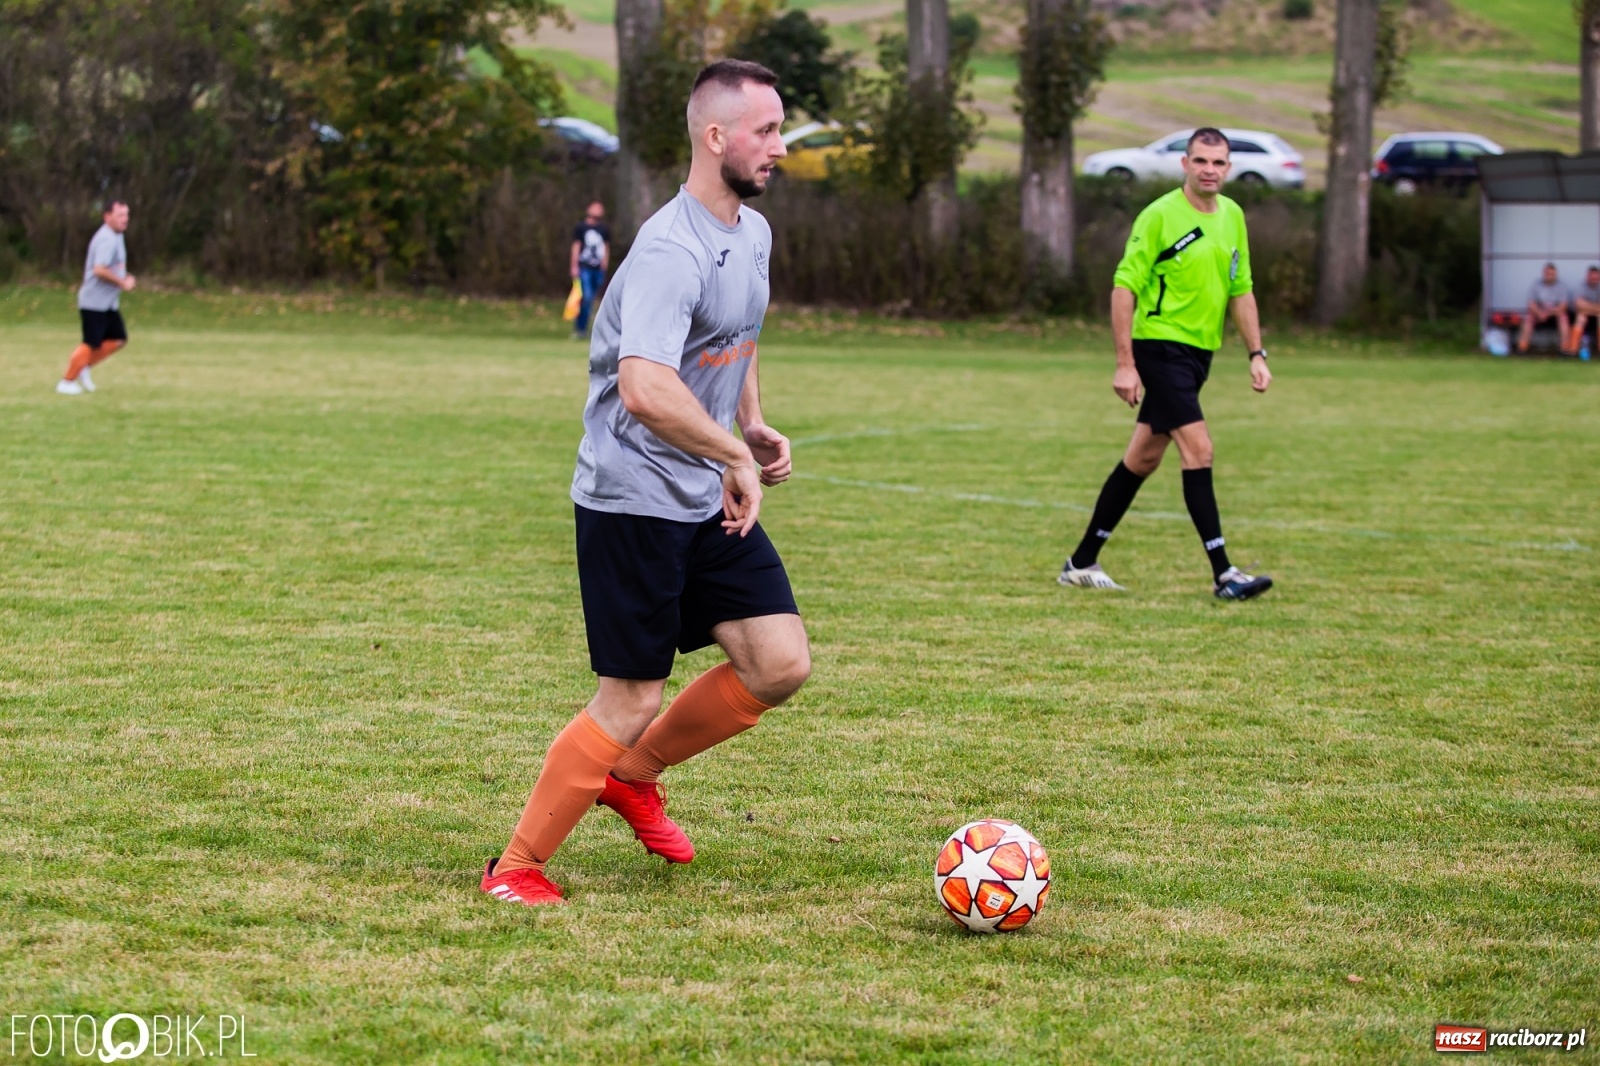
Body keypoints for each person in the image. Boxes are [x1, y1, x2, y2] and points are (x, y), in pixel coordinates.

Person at [482, 59, 807, 907]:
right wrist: (733, 458)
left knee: (778, 663)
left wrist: (751, 424)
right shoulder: (670, 248)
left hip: (700, 489)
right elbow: (645, 386)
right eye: (766, 131)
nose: (780, 147)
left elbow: (733, 337)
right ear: (715, 137)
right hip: (632, 498)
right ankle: (513, 869)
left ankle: (634, 775)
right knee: (629, 694)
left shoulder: (753, 232)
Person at [1058, 128, 1275, 601]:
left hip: (1198, 355)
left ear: (1229, 167)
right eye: (1200, 161)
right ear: (1184, 164)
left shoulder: (1233, 216)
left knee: (1142, 459)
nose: (1209, 170)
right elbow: (1123, 288)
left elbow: (1241, 290)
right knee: (1199, 449)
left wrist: (1255, 353)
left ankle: (1081, 562)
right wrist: (1124, 363)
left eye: (1218, 163)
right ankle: (1224, 574)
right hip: (1158, 348)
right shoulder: (1159, 216)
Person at [58, 199, 135, 395]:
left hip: (108, 304)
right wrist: (122, 283)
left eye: (126, 215)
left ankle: (84, 366)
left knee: (118, 339)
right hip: (94, 302)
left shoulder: (117, 236)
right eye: (120, 215)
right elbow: (99, 269)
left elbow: (113, 267)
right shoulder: (106, 239)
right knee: (91, 343)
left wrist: (123, 277)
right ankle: (66, 382)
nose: (125, 219)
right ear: (107, 216)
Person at [569, 201, 611, 341]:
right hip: (584, 267)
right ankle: (580, 328)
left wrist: (604, 265)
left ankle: (589, 330)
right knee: (586, 297)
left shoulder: (603, 229)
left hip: (597, 269)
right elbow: (576, 246)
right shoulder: (581, 228)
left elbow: (606, 248)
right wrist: (574, 266)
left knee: (593, 300)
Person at [1518, 263, 1572, 355]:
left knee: (1564, 318)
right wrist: (1539, 313)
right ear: (1543, 273)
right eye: (1547, 274)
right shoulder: (1536, 285)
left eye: (1552, 274)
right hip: (1539, 313)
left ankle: (1564, 349)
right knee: (1528, 318)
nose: (1549, 276)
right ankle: (1522, 348)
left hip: (1554, 314)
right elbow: (1531, 303)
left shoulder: (1562, 286)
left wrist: (1549, 313)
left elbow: (1563, 306)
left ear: (1555, 274)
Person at [1566, 265, 1600, 356]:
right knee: (1581, 318)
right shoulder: (1580, 287)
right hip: (1579, 315)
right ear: (1587, 277)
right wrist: (1596, 308)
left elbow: (1584, 306)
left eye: (1596, 278)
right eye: (1592, 277)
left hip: (1596, 316)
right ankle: (1573, 350)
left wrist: (1587, 307)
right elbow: (1579, 306)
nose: (1594, 280)